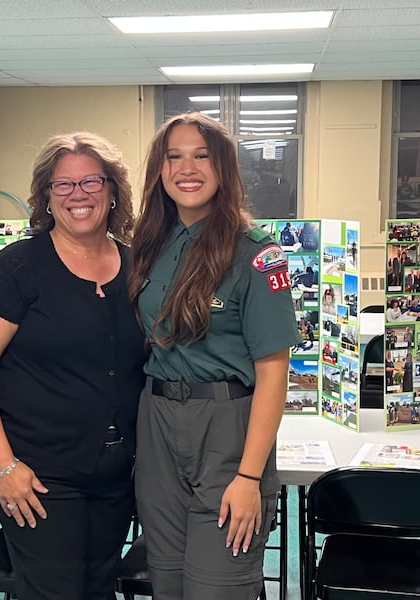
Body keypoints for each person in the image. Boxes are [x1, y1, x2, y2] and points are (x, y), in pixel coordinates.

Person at [0, 131, 148, 599]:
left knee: (101, 585)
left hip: (115, 469)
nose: (78, 195)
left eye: (90, 182)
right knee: (55, 592)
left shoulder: (136, 268)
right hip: (36, 471)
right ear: (46, 196)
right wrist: (4, 466)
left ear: (112, 190)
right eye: (63, 185)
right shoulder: (18, 268)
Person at [127, 113, 299, 600]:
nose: (188, 167)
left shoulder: (256, 253)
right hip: (157, 422)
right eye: (174, 156)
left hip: (226, 428)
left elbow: (273, 372)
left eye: (201, 155)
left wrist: (248, 476)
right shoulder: (149, 244)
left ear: (224, 168)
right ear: (159, 170)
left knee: (217, 589)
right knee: (168, 584)